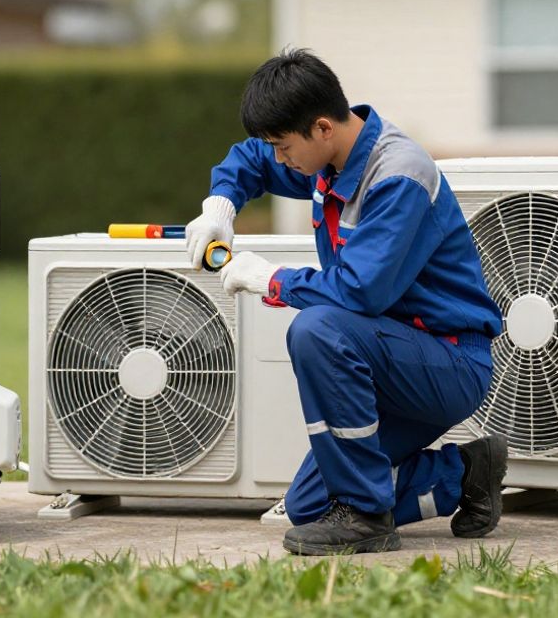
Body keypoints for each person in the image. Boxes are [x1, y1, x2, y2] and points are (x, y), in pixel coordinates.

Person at [185, 48, 507, 556]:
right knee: (309, 508)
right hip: (386, 358)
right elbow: (250, 157)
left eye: (285, 147)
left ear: (321, 129)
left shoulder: (398, 176)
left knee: (317, 329)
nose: (279, 159)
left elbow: (360, 290)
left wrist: (271, 278)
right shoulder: (328, 157)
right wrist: (221, 205)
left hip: (447, 363)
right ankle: (464, 473)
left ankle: (368, 519)